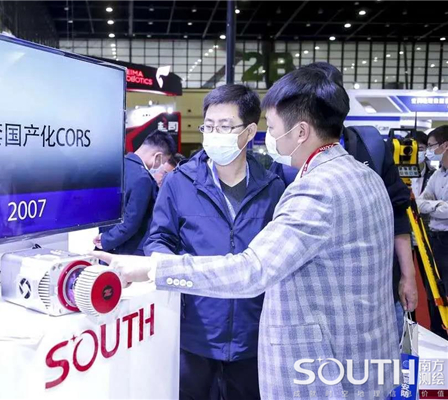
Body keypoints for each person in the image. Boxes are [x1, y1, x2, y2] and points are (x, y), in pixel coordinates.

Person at [94, 67, 399, 399]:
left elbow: (253, 270)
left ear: (299, 132)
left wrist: (153, 268)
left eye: (273, 127)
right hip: (211, 331)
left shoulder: (305, 189)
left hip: (315, 364)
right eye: (209, 126)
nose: (271, 137)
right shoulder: (365, 176)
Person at [145, 85, 284, 400]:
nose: (213, 134)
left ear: (249, 132)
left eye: (224, 127)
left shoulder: (272, 188)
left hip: (253, 336)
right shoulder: (180, 182)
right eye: (208, 126)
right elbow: (158, 238)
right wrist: (167, 264)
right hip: (195, 334)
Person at [270, 62, 417, 336]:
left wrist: (408, 276)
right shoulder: (286, 160)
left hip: (378, 289)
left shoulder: (370, 148)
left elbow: (398, 214)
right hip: (317, 295)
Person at [93, 130, 176, 255]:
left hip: (110, 244)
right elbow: (131, 221)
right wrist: (106, 240)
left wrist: (105, 237)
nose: (161, 166)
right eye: (163, 162)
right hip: (129, 250)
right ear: (158, 156)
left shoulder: (116, 166)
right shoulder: (143, 178)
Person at [417, 126, 448, 335]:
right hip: (433, 240)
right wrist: (439, 205)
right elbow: (420, 203)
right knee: (433, 291)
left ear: (445, 145)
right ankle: (438, 334)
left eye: (431, 146)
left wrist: (433, 206)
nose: (429, 151)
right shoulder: (438, 174)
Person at [412, 130, 436, 198]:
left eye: (420, 149)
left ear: (427, 150)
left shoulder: (434, 174)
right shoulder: (397, 175)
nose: (416, 153)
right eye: (412, 149)